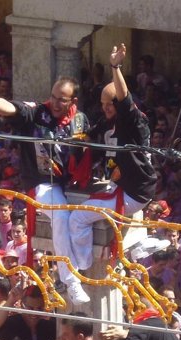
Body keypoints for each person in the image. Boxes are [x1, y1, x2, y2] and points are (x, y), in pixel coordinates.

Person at [0, 74, 91, 304]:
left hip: (72, 183)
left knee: (90, 216)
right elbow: (11, 109)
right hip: (42, 183)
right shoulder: (37, 113)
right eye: (53, 97)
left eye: (61, 100)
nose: (55, 103)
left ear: (72, 101)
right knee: (62, 213)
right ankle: (71, 279)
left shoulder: (81, 120)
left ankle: (81, 265)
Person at [68, 43, 156, 272]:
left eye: (110, 105)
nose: (105, 109)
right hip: (120, 185)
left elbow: (124, 99)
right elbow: (89, 138)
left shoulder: (133, 120)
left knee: (77, 218)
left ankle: (82, 267)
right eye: (103, 105)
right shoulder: (108, 122)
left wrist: (115, 67)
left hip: (133, 193)